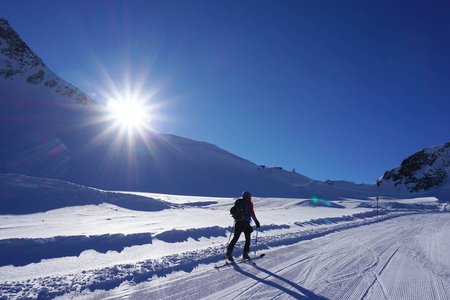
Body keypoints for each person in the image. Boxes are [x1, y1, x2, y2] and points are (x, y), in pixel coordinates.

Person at [226, 191, 261, 261]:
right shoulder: (249, 203)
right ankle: (245, 254)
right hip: (245, 223)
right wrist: (256, 221)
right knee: (247, 238)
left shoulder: (238, 202)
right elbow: (252, 213)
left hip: (238, 222)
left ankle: (229, 253)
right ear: (249, 197)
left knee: (235, 238)